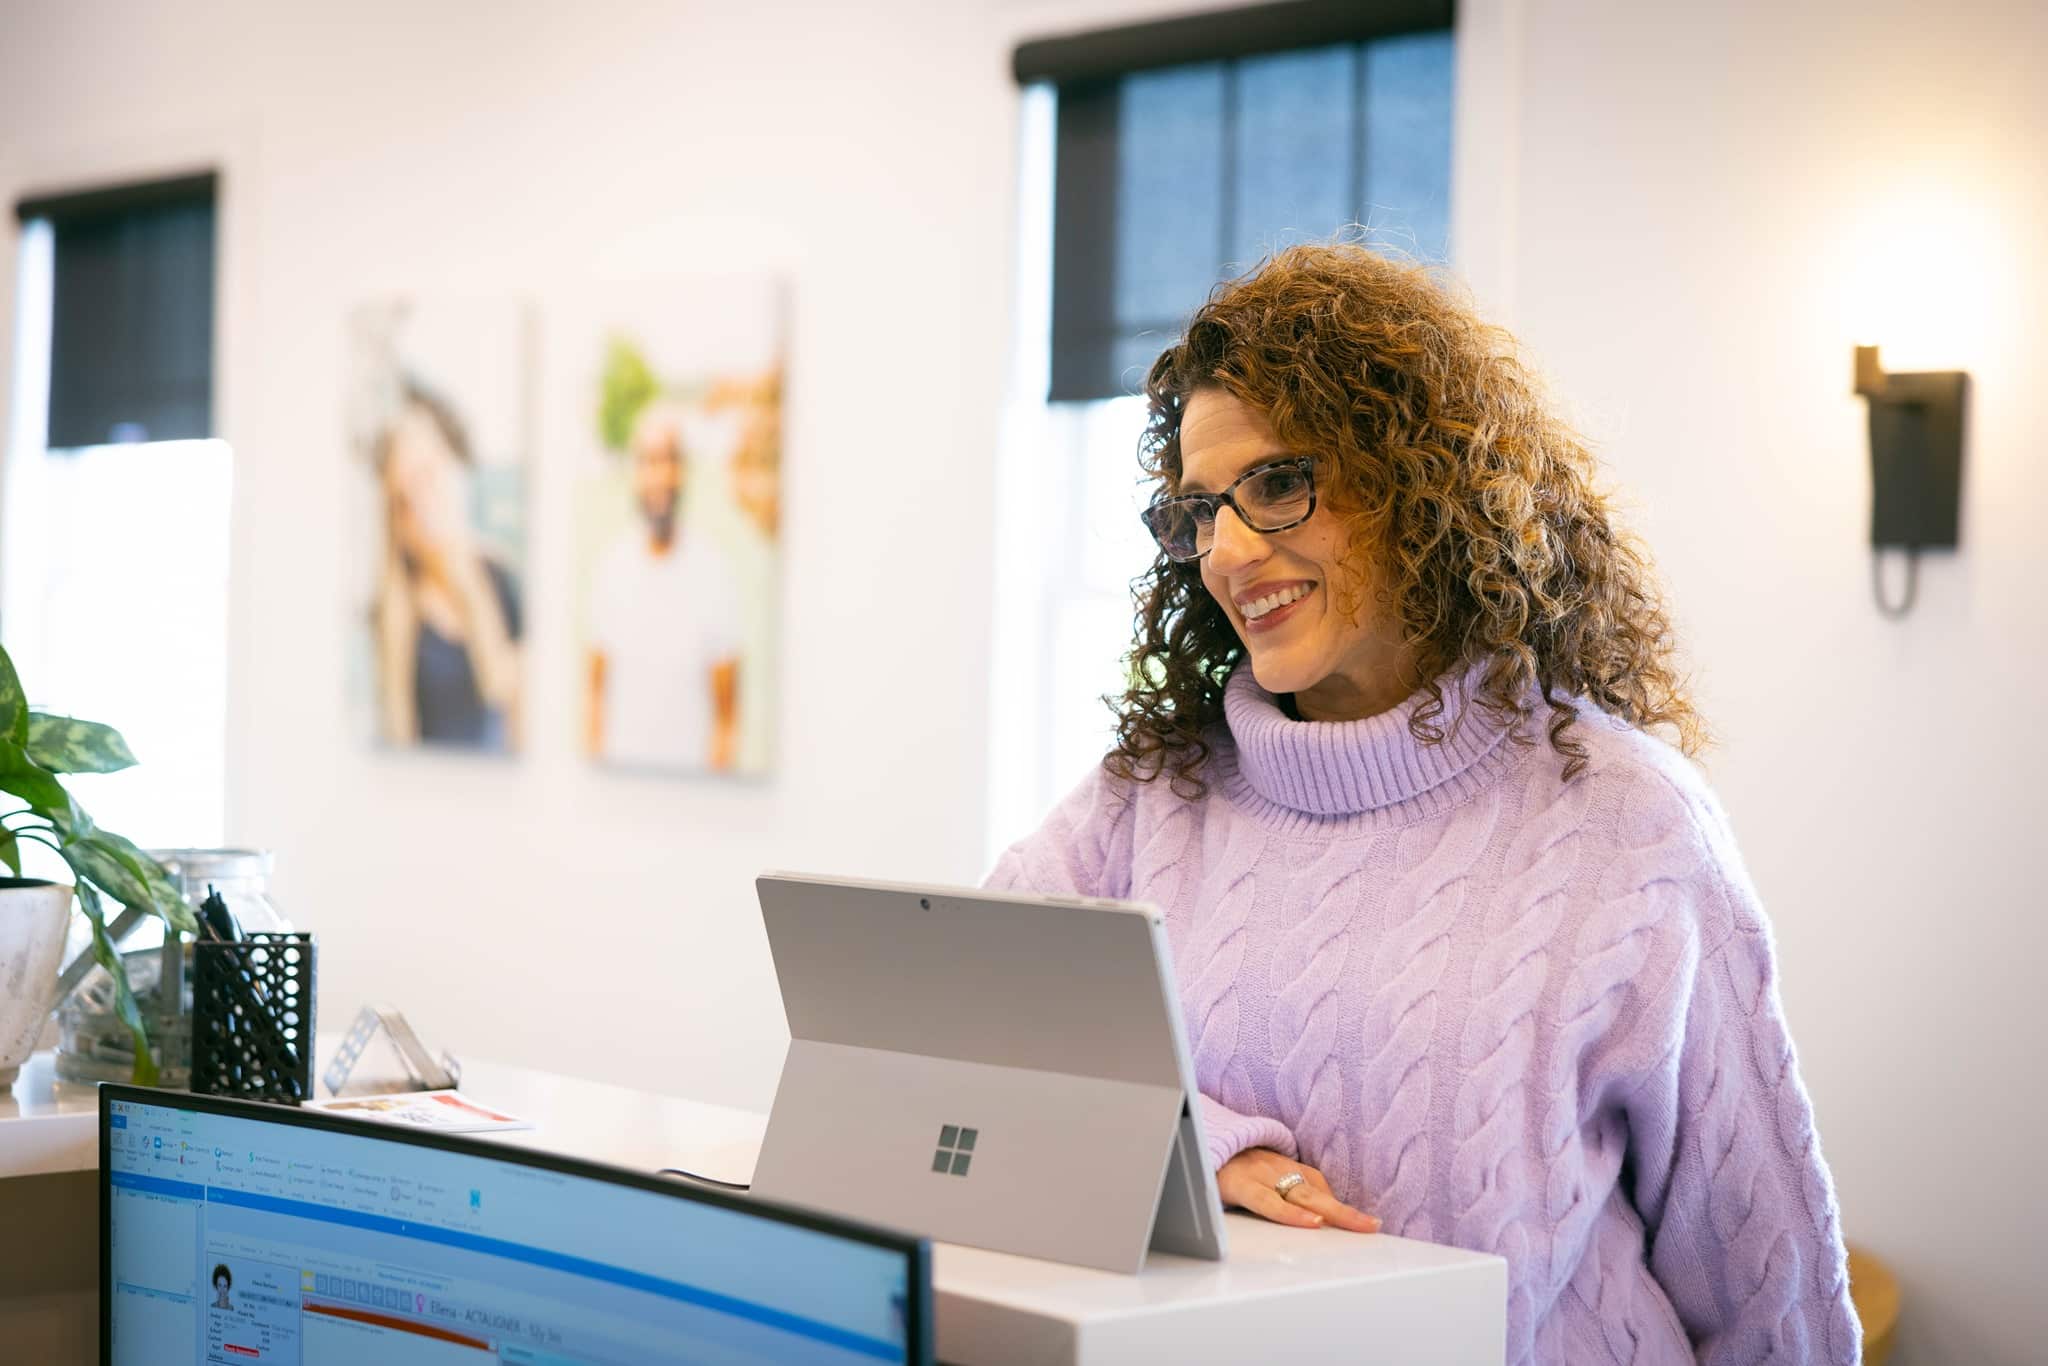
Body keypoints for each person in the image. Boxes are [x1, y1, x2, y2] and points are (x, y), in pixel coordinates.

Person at [987, 245, 1858, 1364]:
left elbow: (1763, 1284)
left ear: (1417, 482)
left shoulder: (1627, 823)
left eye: (1275, 483)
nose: (1229, 551)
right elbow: (956, 1052)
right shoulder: (1149, 794)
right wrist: (1189, 1147)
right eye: (1199, 510)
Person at [584, 399, 743, 771]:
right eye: (648, 461)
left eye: (669, 460)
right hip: (617, 796)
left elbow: (727, 718)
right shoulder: (611, 569)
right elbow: (595, 696)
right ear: (635, 472)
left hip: (689, 802)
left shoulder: (714, 573)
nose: (659, 475)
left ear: (683, 470)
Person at [370, 379, 523, 750]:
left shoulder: (499, 577)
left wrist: (467, 587)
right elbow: (398, 734)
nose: (423, 509)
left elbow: (506, 696)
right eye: (407, 499)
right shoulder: (397, 608)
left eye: (429, 478)